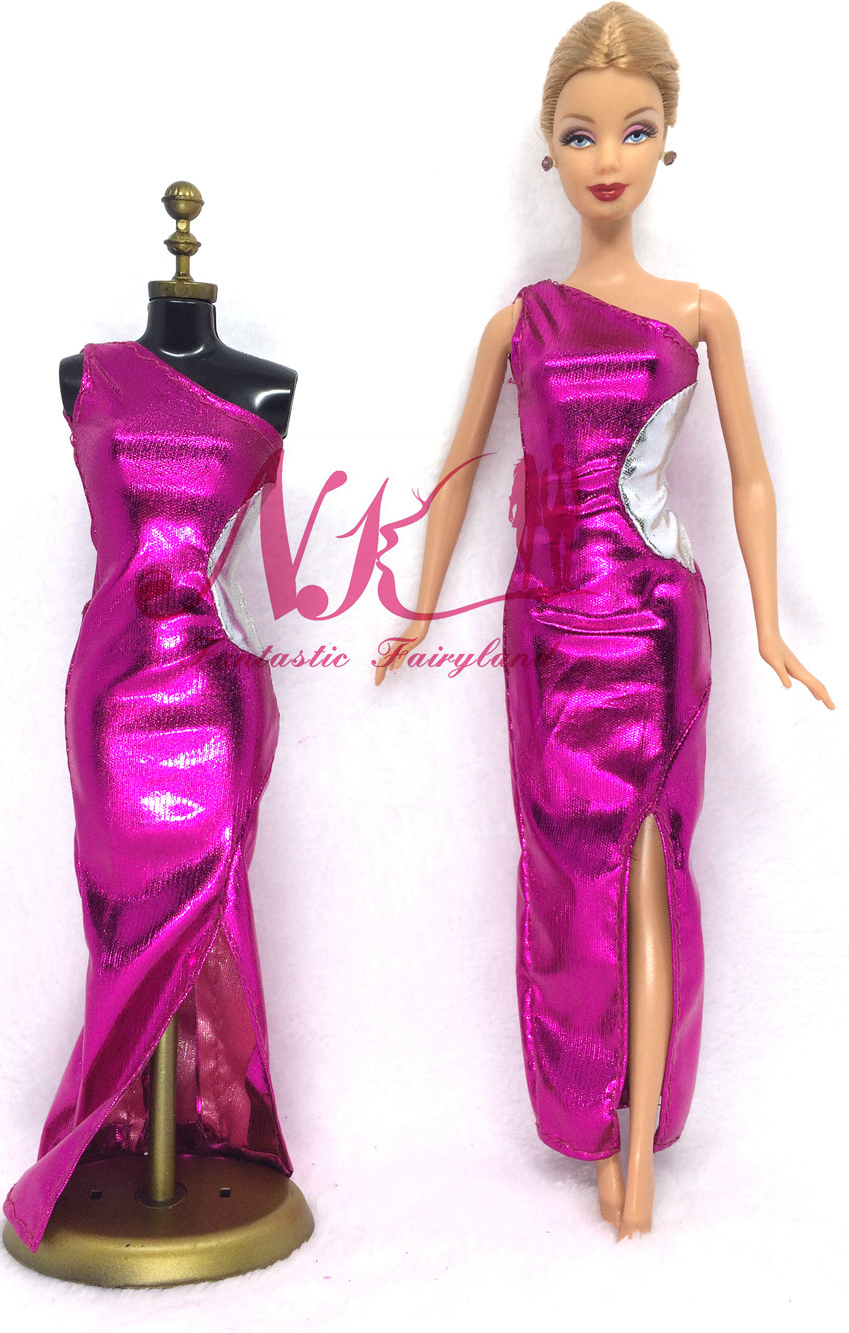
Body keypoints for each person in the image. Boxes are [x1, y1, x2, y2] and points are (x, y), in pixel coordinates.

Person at [374, 2, 833, 1240]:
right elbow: (459, 469)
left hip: (654, 623)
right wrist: (418, 609)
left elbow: (750, 476)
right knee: (568, 874)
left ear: (668, 137)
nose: (608, 157)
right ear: (549, 149)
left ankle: (636, 1142)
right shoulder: (517, 322)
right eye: (581, 134)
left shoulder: (699, 314)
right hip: (547, 636)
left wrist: (769, 625)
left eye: (634, 129)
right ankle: (592, 1113)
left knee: (647, 869)